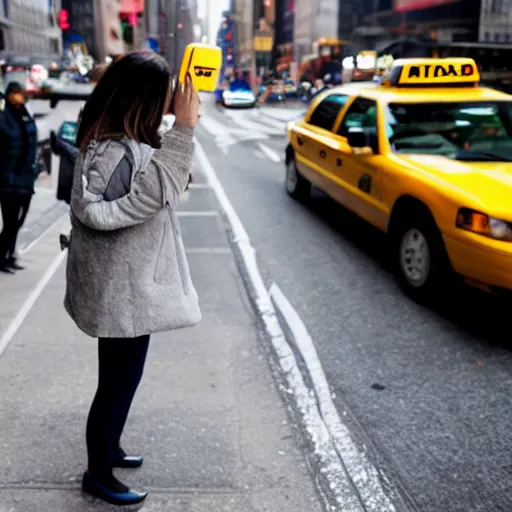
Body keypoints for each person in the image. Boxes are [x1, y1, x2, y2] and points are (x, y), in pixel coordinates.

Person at [64, 51, 202, 506]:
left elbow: (149, 187)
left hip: (126, 285)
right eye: (164, 96)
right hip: (121, 290)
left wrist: (174, 159)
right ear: (140, 99)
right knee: (117, 385)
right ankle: (98, 474)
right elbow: (134, 202)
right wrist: (184, 131)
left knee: (122, 380)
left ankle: (109, 448)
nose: (171, 102)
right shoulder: (113, 150)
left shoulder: (120, 141)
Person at [0, 82, 38, 274]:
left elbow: (33, 142)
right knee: (10, 222)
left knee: (18, 222)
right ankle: (2, 257)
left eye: (20, 93)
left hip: (26, 178)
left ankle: (9, 254)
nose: (19, 97)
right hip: (9, 180)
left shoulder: (26, 114)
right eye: (15, 94)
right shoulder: (4, 118)